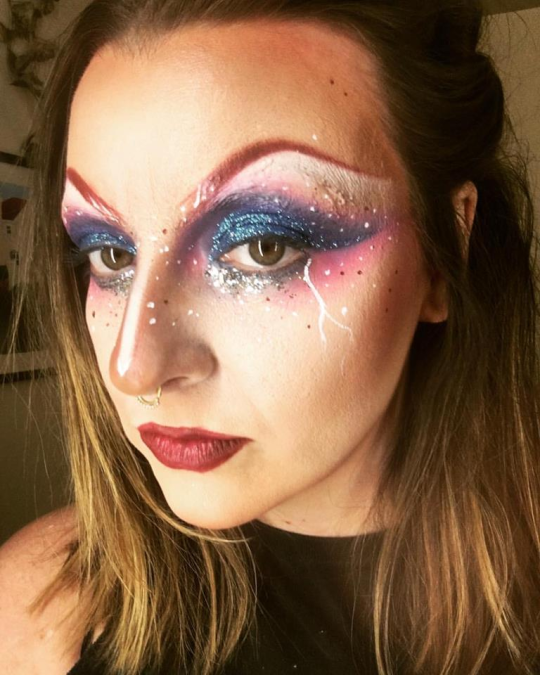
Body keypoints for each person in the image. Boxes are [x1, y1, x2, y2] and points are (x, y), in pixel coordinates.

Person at [1, 0, 539, 673]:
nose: (134, 367)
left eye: (264, 245)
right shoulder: (36, 609)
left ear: (444, 251)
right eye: (110, 253)